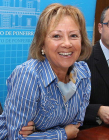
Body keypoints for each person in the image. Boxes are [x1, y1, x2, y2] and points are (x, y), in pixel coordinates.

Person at [0, 3, 92, 139]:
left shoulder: (83, 73)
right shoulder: (28, 76)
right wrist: (62, 133)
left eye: (73, 35)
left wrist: (38, 132)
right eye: (56, 36)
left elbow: (76, 125)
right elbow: (15, 138)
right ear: (42, 43)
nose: (67, 43)